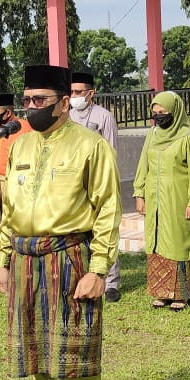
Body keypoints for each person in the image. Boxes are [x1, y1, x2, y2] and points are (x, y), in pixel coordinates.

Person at [0, 65, 121, 380]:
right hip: (25, 261)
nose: (30, 108)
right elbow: (7, 210)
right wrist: (2, 259)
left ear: (65, 102)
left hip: (70, 259)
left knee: (76, 357)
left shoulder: (91, 146)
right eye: (26, 99)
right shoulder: (20, 147)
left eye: (40, 101)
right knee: (39, 356)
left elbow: (106, 209)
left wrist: (99, 268)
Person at [133, 92, 190, 311]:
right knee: (156, 238)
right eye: (155, 113)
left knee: (177, 240)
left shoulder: (186, 136)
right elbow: (143, 163)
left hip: (177, 196)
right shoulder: (152, 135)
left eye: (163, 112)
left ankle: (180, 294)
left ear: (175, 111)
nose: (159, 116)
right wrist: (139, 193)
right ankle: (160, 292)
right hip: (153, 196)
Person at [69, 71, 122, 302]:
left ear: (91, 93)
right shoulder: (67, 116)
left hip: (98, 181)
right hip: (74, 182)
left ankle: (110, 282)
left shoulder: (103, 117)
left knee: (104, 229)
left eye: (78, 92)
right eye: (71, 92)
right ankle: (80, 276)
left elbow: (111, 150)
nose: (74, 96)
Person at [0, 92, 30, 253]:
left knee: (15, 225)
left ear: (8, 113)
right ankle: (4, 257)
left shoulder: (24, 128)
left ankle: (18, 254)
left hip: (14, 185)